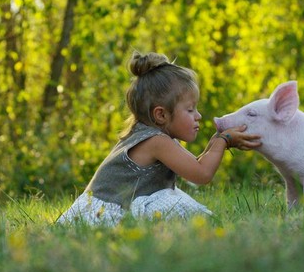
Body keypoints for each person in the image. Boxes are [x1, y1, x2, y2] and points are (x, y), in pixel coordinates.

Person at [57, 51, 261, 225]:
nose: (198, 116)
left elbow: (194, 164)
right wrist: (222, 141)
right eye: (190, 110)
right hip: (105, 215)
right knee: (177, 207)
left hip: (119, 204)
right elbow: (201, 174)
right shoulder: (156, 141)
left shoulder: (152, 136)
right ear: (161, 115)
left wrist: (218, 141)